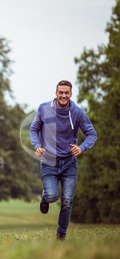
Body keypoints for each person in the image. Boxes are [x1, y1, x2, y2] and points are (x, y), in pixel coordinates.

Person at [30, 80, 97, 241]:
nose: (63, 95)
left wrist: (81, 147)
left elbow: (92, 134)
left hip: (69, 164)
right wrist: (37, 145)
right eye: (61, 92)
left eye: (67, 92)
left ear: (71, 94)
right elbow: (34, 129)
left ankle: (61, 235)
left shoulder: (78, 113)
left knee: (67, 200)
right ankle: (46, 197)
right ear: (56, 93)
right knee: (53, 196)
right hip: (49, 162)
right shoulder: (44, 109)